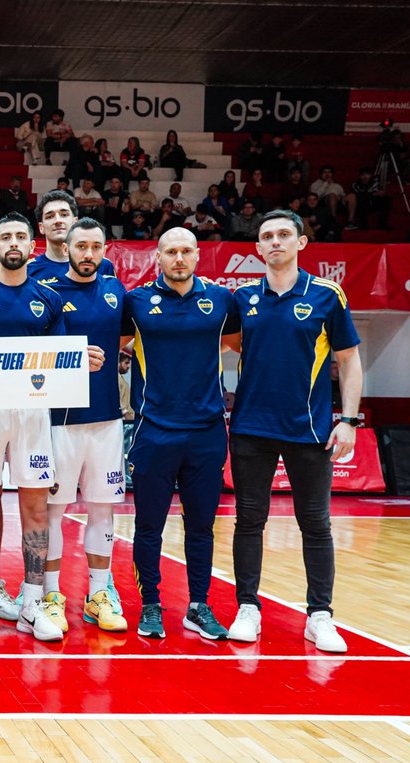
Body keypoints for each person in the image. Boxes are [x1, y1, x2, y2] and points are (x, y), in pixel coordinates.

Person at [224, 210, 362, 653]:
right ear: (258, 249)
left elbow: (349, 360)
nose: (276, 242)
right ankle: (248, 607)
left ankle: (319, 615)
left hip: (310, 430)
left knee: (316, 524)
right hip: (250, 428)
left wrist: (350, 420)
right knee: (249, 521)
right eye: (268, 237)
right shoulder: (243, 298)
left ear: (301, 243)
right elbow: (232, 342)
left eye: (285, 235)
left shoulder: (326, 295)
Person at [0, 212, 79, 642]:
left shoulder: (49, 298)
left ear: (32, 246)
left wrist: (86, 362)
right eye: (5, 236)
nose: (12, 243)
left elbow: (62, 358)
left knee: (36, 510)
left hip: (32, 410)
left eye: (20, 237)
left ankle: (31, 602)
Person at [121, 227, 240, 640]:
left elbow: (240, 346)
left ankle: (198, 606)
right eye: (171, 251)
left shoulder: (222, 301)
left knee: (202, 526)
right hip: (153, 430)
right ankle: (150, 605)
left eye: (186, 251)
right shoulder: (135, 302)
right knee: (148, 525)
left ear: (197, 255)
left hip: (207, 432)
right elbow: (113, 344)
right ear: (158, 256)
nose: (179, 258)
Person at [39, 218, 127, 633]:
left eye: (96, 246)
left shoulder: (116, 290)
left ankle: (98, 593)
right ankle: (51, 594)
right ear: (67, 249)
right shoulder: (49, 293)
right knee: (52, 511)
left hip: (107, 419)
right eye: (81, 247)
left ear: (105, 249)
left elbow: (126, 339)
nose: (88, 254)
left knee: (102, 510)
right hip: (59, 421)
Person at [27, 190, 117, 282]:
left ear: (75, 222)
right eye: (50, 216)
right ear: (41, 227)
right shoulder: (28, 269)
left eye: (64, 215)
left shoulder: (102, 265)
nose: (58, 220)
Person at [347, 166, 391, 230]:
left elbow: (378, 192)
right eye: (363, 175)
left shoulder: (375, 183)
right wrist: (373, 194)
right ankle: (363, 224)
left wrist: (380, 193)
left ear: (371, 175)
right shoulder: (355, 184)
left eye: (367, 174)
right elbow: (359, 195)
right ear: (360, 176)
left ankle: (382, 224)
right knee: (362, 199)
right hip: (361, 206)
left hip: (373, 203)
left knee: (386, 198)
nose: (365, 177)